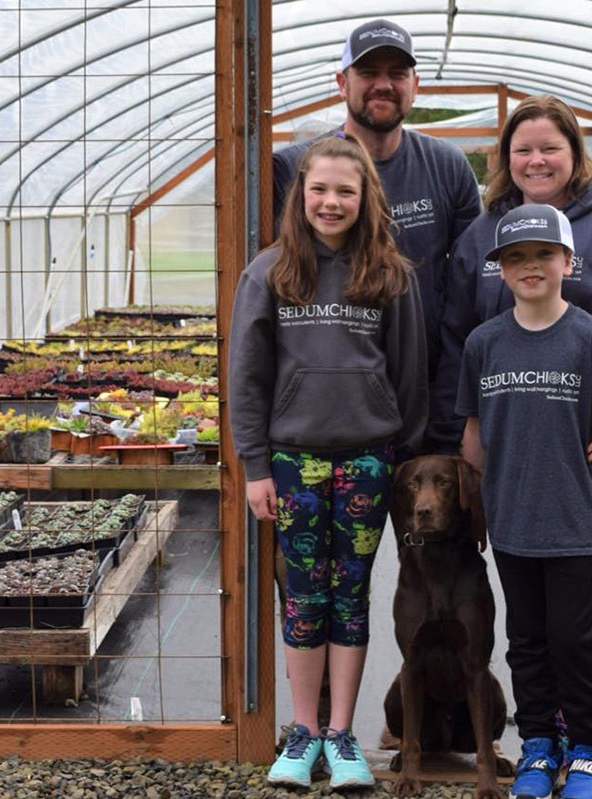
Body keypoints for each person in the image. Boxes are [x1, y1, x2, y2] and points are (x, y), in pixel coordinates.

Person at [434, 94, 592, 794]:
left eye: (550, 147)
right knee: (536, 623)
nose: (535, 159)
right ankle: (550, 736)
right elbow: (462, 340)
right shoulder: (486, 233)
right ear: (503, 158)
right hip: (519, 465)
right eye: (521, 149)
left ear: (575, 153)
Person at [228, 132, 428, 789]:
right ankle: (303, 733)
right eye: (319, 189)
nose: (331, 202)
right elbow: (247, 378)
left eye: (346, 190)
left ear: (366, 196)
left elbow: (409, 374)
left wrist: (394, 449)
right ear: (300, 196)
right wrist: (256, 464)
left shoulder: (389, 274)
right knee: (305, 598)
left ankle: (342, 735)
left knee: (351, 596)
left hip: (368, 462)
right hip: (294, 464)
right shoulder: (271, 272)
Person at [457, 203, 592, 799]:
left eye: (543, 254)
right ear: (500, 271)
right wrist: (478, 510)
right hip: (512, 528)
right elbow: (475, 438)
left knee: (576, 642)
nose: (530, 266)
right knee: (525, 644)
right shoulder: (484, 343)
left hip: (575, 527)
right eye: (515, 257)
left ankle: (589, 749)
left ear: (568, 261)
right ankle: (538, 744)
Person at [272, 17, 481, 377]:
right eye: (368, 72)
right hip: (328, 385)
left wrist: (453, 388)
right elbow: (273, 282)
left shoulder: (447, 166)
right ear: (342, 83)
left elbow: (470, 285)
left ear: (414, 86)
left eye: (397, 74)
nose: (383, 85)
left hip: (425, 378)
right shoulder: (293, 169)